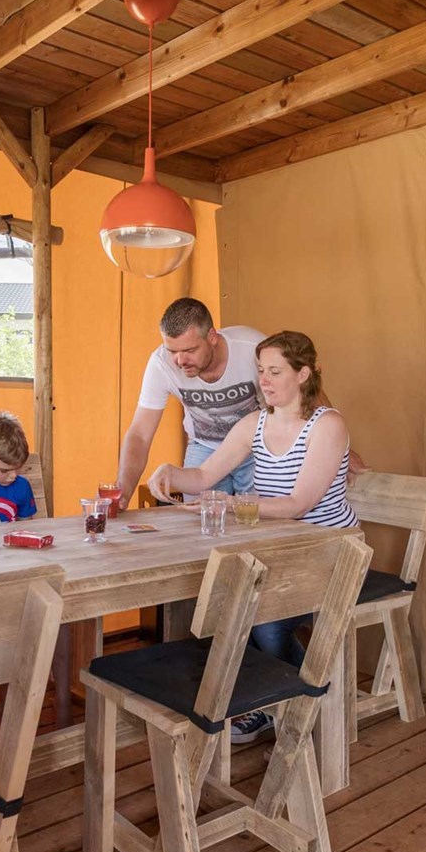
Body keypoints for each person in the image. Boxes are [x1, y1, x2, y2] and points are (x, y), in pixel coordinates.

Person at [149, 330, 359, 744]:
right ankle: (282, 699)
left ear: (303, 374)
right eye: (261, 370)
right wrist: (171, 473)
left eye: (275, 372)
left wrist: (232, 503)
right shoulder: (255, 423)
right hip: (279, 551)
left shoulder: (327, 425)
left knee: (261, 613)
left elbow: (298, 505)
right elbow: (205, 475)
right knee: (229, 598)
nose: (264, 379)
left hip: (331, 552)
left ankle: (298, 700)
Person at [115, 298, 267, 503]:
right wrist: (123, 491)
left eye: (189, 351)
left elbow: (294, 402)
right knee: (198, 516)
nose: (180, 361)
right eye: (172, 351)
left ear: (212, 337)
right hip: (204, 445)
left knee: (260, 513)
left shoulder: (253, 348)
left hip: (255, 445)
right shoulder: (161, 363)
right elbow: (140, 434)